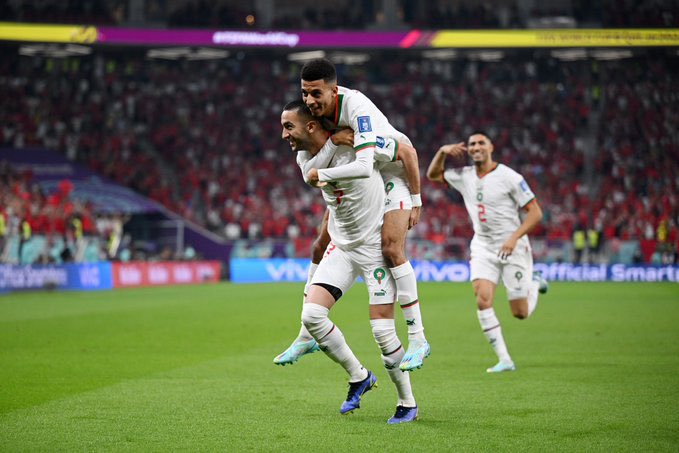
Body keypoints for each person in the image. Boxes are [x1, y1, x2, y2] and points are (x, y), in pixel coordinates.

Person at [277, 101, 419, 424]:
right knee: (312, 314)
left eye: (289, 127)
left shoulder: (361, 141)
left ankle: (407, 402)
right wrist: (332, 142)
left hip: (374, 249)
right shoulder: (304, 156)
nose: (284, 135)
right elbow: (312, 176)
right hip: (342, 247)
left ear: (310, 126)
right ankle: (359, 376)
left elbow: (405, 153)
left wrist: (413, 201)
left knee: (383, 333)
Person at [298, 57, 430, 372]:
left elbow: (398, 156)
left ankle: (418, 337)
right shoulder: (316, 116)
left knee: (390, 248)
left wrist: (416, 200)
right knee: (321, 242)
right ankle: (305, 333)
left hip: (390, 172)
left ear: (334, 89)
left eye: (316, 94)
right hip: (361, 182)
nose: (309, 101)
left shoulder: (357, 109)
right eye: (305, 93)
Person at [426, 132, 548, 373]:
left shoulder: (510, 177)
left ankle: (533, 285)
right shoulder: (464, 175)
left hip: (513, 247)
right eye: (472, 144)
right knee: (482, 298)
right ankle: (505, 360)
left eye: (481, 143)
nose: (476, 147)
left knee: (520, 313)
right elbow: (433, 175)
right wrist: (442, 152)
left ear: (491, 147)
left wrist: (514, 238)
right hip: (483, 246)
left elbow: (535, 212)